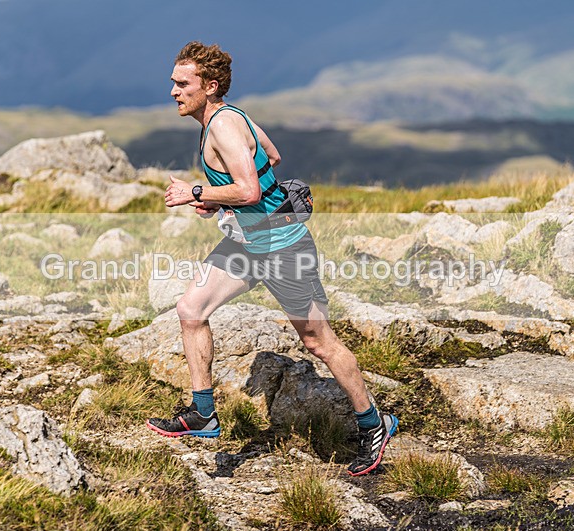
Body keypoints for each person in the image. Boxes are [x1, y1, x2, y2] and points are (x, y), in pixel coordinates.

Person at [146, 41, 398, 476]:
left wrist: (198, 192)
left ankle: (374, 424)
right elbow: (271, 158)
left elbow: (251, 190)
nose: (173, 91)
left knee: (319, 342)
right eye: (173, 82)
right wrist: (222, 203)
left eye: (182, 84)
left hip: (282, 247)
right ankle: (203, 414)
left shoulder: (223, 126)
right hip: (247, 244)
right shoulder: (230, 117)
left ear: (209, 86)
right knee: (190, 310)